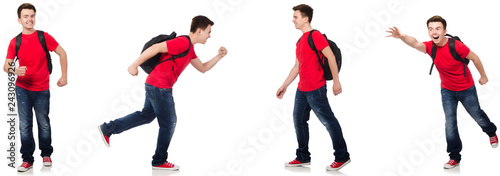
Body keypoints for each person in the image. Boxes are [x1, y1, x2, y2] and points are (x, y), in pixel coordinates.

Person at [98, 15, 227, 171]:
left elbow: (203, 68)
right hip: (160, 87)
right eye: (208, 32)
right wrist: (134, 65)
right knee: (169, 123)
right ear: (199, 31)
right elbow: (155, 48)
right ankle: (159, 160)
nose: (209, 35)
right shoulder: (182, 42)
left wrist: (219, 56)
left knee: (146, 116)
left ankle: (108, 128)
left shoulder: (189, 48)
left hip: (154, 85)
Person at [386, 15, 498, 169]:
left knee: (477, 115)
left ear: (445, 31)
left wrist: (483, 76)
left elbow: (475, 58)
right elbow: (415, 43)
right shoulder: (430, 47)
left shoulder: (457, 46)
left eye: (438, 28)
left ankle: (491, 132)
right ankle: (454, 157)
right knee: (450, 123)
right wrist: (402, 36)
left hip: (466, 89)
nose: (434, 32)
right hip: (447, 91)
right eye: (431, 29)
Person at [276, 4, 350, 171]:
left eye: (295, 17)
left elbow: (330, 57)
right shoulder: (300, 41)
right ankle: (303, 157)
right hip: (302, 90)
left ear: (305, 18)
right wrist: (284, 86)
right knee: (299, 121)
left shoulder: (315, 35)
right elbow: (297, 67)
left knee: (328, 121)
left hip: (316, 89)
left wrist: (336, 81)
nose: (292, 20)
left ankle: (342, 156)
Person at [3, 3, 68, 172]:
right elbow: (5, 66)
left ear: (35, 17)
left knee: (43, 123)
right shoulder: (14, 41)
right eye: (26, 16)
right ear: (19, 20)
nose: (29, 19)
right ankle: (27, 160)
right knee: (25, 125)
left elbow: (62, 53)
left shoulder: (44, 37)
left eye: (32, 15)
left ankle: (46, 154)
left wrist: (64, 76)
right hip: (22, 89)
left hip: (41, 89)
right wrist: (15, 70)